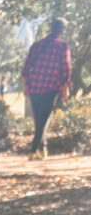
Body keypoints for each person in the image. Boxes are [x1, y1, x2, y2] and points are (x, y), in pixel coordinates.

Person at [23, 17, 72, 159]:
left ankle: (43, 150)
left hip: (34, 87)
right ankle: (33, 150)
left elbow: (27, 68)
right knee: (42, 119)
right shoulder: (63, 46)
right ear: (62, 30)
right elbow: (66, 69)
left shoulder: (37, 45)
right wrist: (65, 89)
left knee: (40, 119)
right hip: (51, 88)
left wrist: (26, 87)